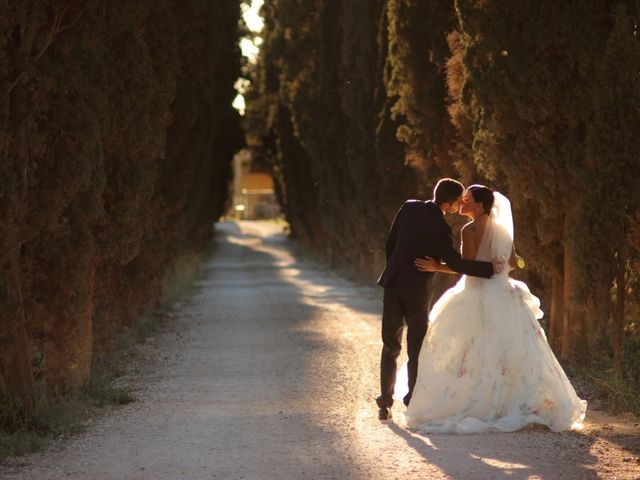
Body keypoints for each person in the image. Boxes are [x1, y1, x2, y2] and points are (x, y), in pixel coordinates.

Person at [405, 185, 587, 433]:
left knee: (471, 348)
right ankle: (512, 401)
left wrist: (437, 266)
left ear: (479, 205)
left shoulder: (470, 230)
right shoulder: (502, 229)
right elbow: (512, 263)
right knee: (509, 348)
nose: (462, 202)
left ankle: (477, 401)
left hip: (477, 291)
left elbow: (466, 267)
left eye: (467, 199)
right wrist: (501, 263)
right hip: (503, 291)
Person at [376, 179, 498, 421]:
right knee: (416, 346)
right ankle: (412, 400)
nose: (459, 205)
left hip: (393, 283)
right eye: (457, 202)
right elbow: (455, 263)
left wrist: (395, 268)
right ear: (448, 203)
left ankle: (385, 403)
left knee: (390, 344)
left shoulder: (409, 207)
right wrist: (489, 270)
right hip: (418, 289)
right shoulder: (441, 227)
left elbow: (390, 243)